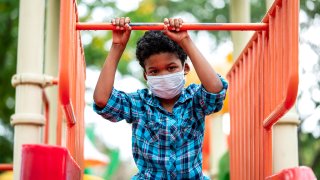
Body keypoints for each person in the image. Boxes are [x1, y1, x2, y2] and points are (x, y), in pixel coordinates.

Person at [93, 17, 228, 179]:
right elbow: (102, 100)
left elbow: (215, 90)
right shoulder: (139, 104)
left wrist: (186, 41)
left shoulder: (194, 100)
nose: (163, 75)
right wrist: (117, 47)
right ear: (146, 75)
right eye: (154, 71)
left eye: (171, 68)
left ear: (185, 68)